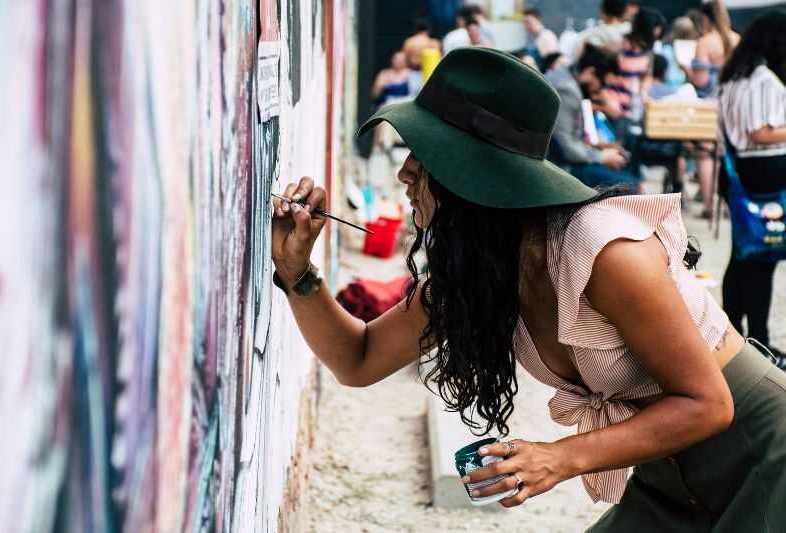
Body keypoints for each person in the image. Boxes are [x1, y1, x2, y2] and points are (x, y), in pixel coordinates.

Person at [272, 47, 786, 530]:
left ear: (473, 176)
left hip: (761, 449)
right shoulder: (484, 274)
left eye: (424, 154)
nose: (406, 171)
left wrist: (559, 458)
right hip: (667, 461)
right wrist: (299, 273)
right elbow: (358, 359)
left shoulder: (603, 249)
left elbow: (709, 404)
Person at [719, 9, 786, 362]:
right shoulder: (765, 80)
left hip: (740, 172)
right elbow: (760, 133)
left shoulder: (733, 77)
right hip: (768, 175)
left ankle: (734, 333)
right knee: (763, 256)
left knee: (744, 254)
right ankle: (759, 341)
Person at [547, 44, 637, 190]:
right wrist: (601, 157)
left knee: (626, 170)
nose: (601, 90)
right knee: (631, 186)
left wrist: (602, 152)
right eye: (602, 84)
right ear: (590, 72)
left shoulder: (567, 78)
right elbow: (566, 147)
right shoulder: (567, 90)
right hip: (561, 169)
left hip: (564, 163)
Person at [681, 1, 740, 219]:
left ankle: (709, 205)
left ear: (705, 19)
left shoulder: (704, 43)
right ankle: (729, 204)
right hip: (736, 105)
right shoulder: (737, 39)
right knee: (730, 154)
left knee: (706, 153)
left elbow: (701, 81)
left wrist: (688, 70)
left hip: (711, 106)